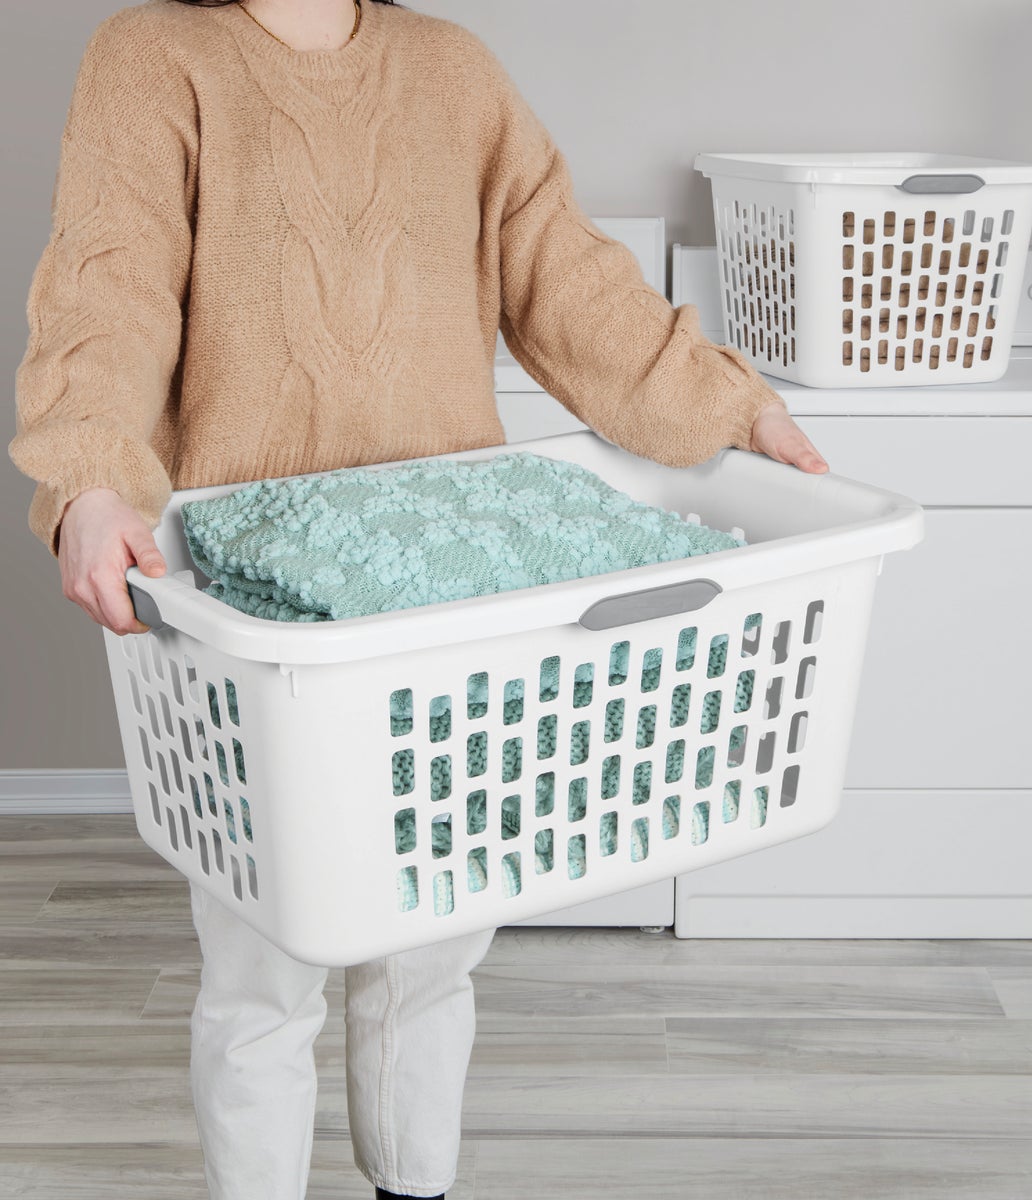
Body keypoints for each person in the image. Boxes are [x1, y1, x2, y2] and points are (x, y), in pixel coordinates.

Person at [8, 1, 830, 1197]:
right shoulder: (155, 58)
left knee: (433, 948)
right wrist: (88, 479)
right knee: (263, 976)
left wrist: (730, 405)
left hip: (447, 604)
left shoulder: (451, 71)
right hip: (257, 616)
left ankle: (416, 1189)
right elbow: (108, 286)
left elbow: (566, 278)